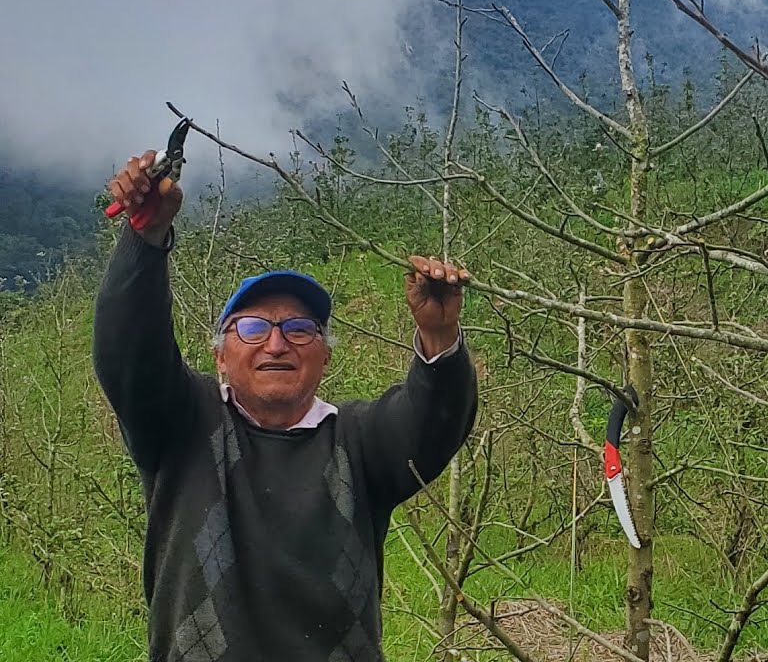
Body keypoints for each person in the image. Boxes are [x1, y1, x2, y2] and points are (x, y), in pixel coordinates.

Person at [92, 149, 478, 661]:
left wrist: (439, 336)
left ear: (325, 356)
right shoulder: (183, 422)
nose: (276, 344)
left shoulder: (358, 440)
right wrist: (146, 237)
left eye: (299, 329)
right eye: (253, 328)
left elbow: (433, 424)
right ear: (220, 356)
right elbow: (128, 350)